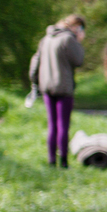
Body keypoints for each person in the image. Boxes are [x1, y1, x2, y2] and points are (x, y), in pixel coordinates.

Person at [27, 15, 86, 168]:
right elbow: (79, 60)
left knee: (52, 125)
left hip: (46, 87)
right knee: (63, 125)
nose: (81, 31)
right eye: (80, 28)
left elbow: (35, 63)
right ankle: (64, 162)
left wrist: (35, 83)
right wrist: (78, 42)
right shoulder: (68, 39)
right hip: (64, 88)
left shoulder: (46, 39)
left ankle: (51, 161)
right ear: (74, 26)